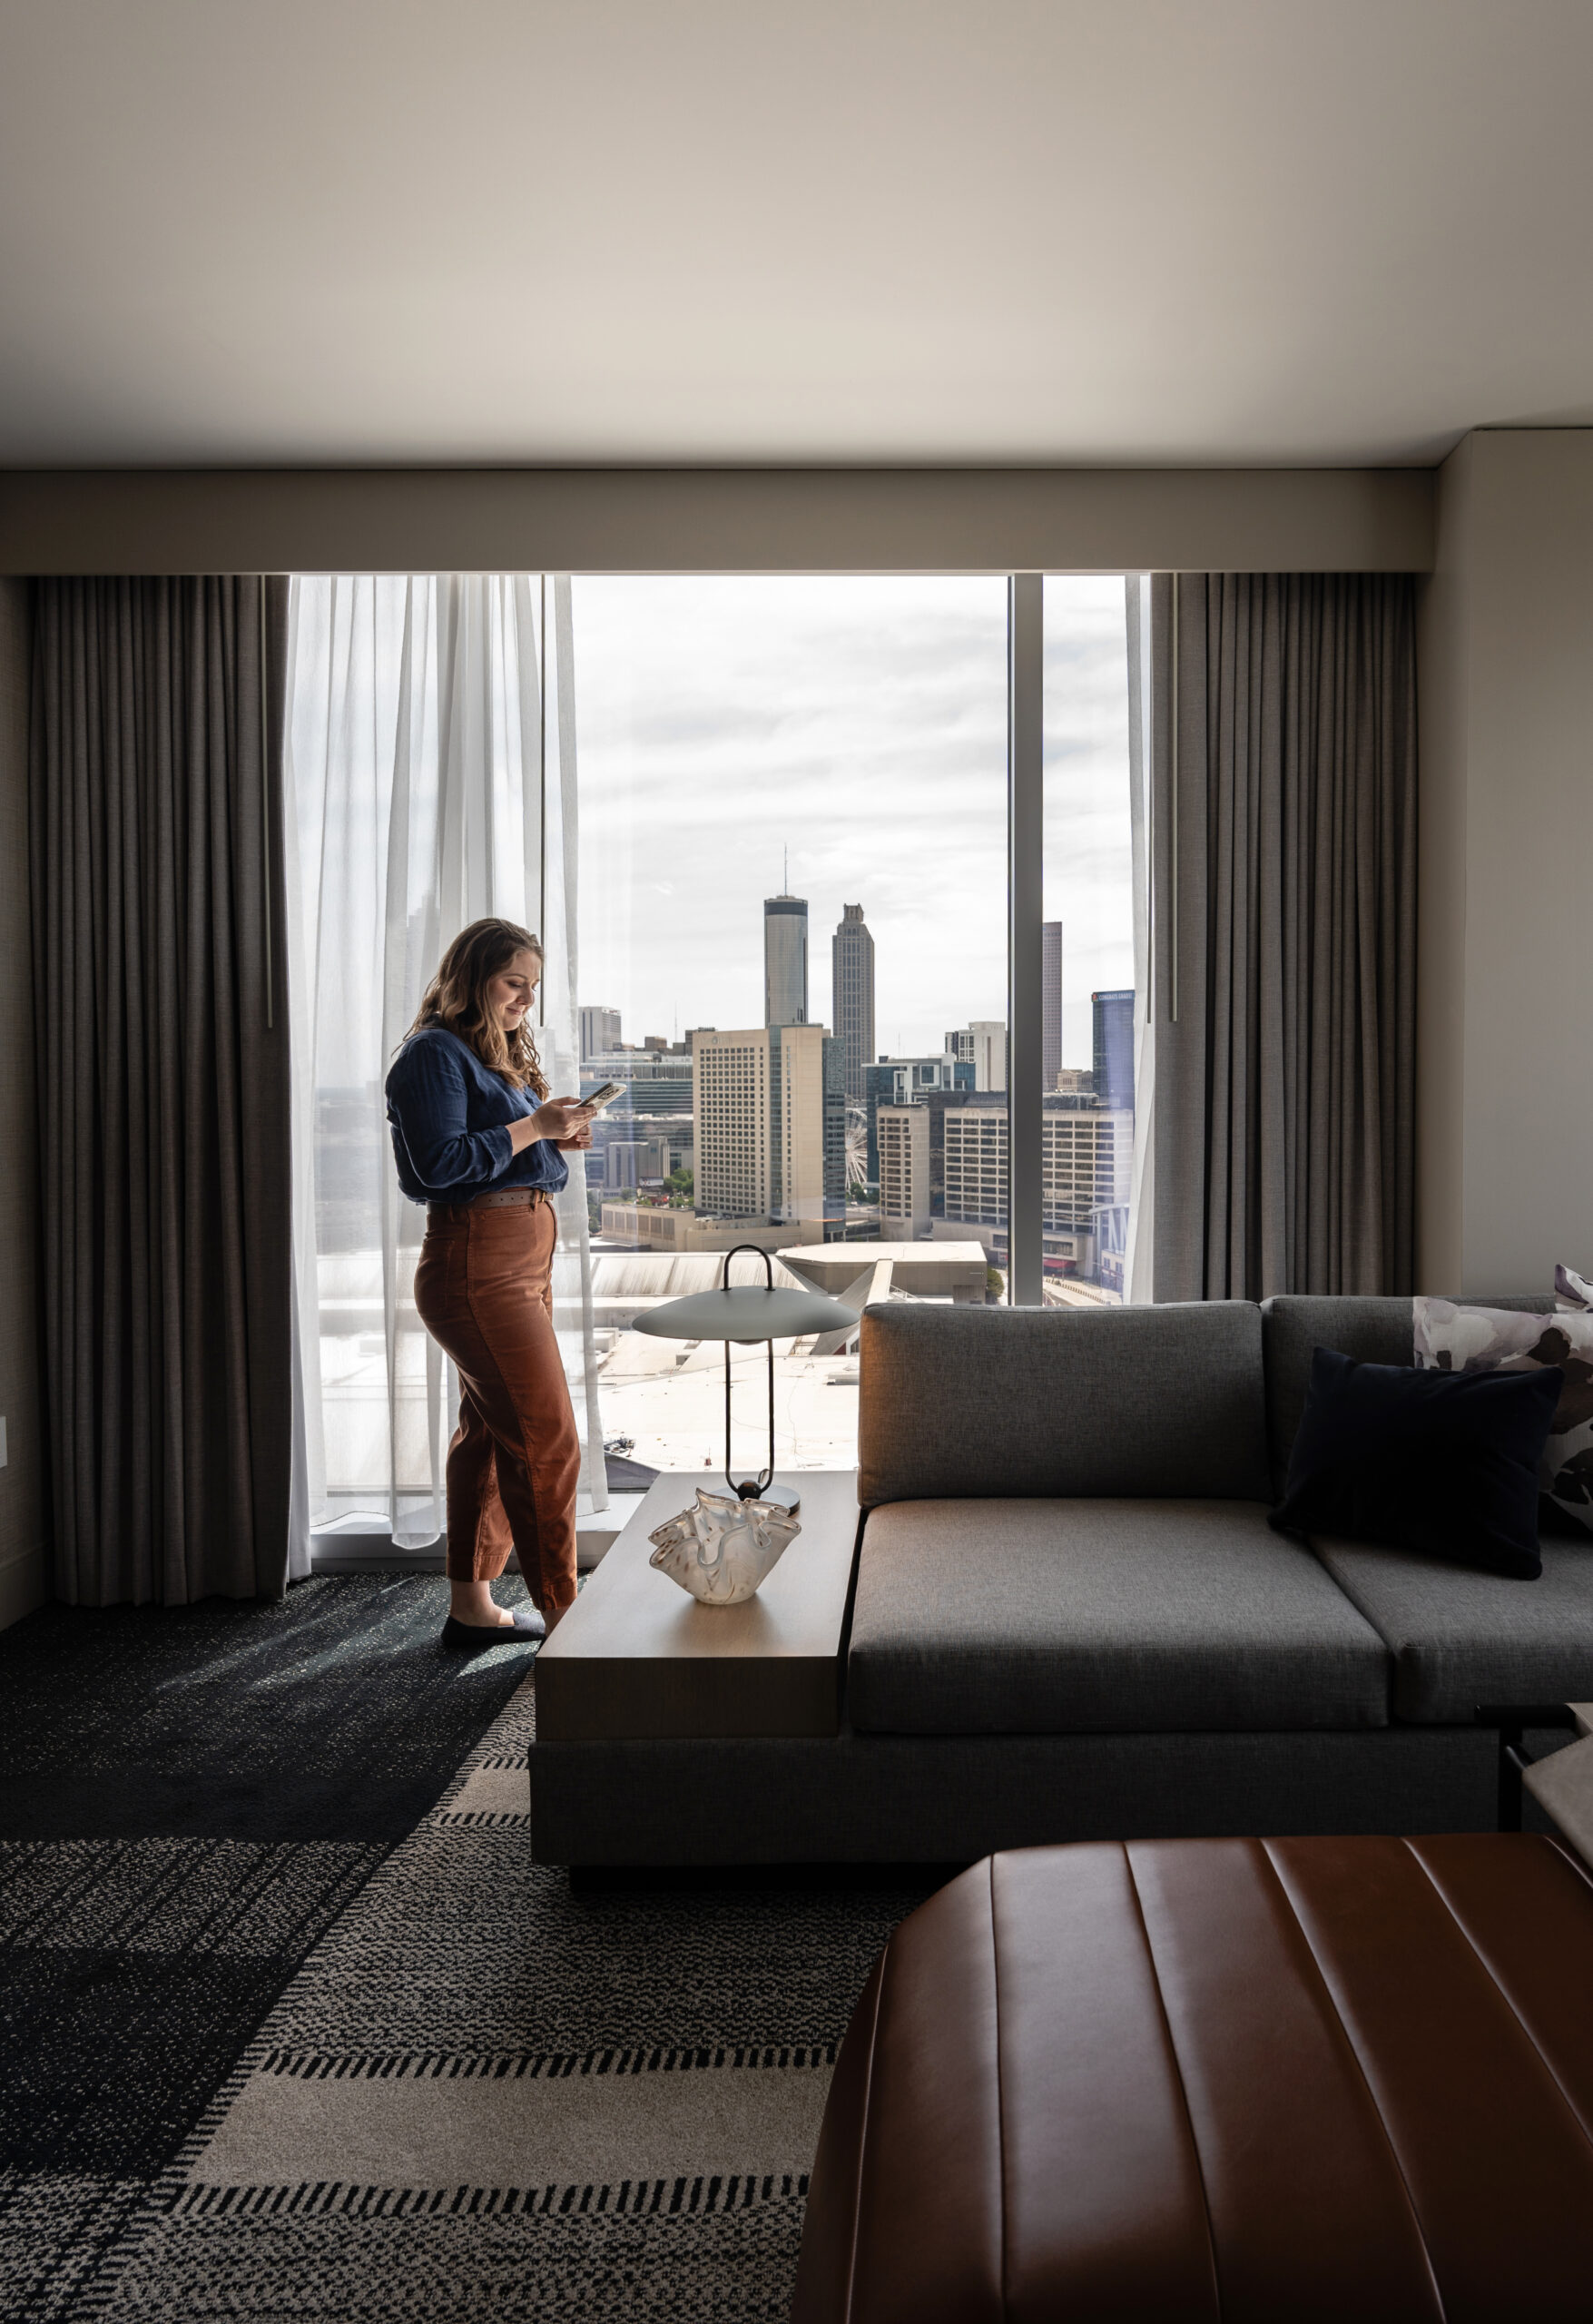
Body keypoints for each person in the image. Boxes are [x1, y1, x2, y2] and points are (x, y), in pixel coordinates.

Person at [384, 918, 594, 1649]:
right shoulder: (432, 1054)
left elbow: (510, 1153)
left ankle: (473, 1609)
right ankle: (568, 1623)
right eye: (514, 983)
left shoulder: (484, 1055)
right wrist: (534, 1128)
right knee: (546, 1440)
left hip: (517, 1262)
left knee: (487, 1434)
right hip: (479, 1266)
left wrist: (555, 1131)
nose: (524, 1001)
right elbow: (437, 1168)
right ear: (471, 976)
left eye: (533, 988)